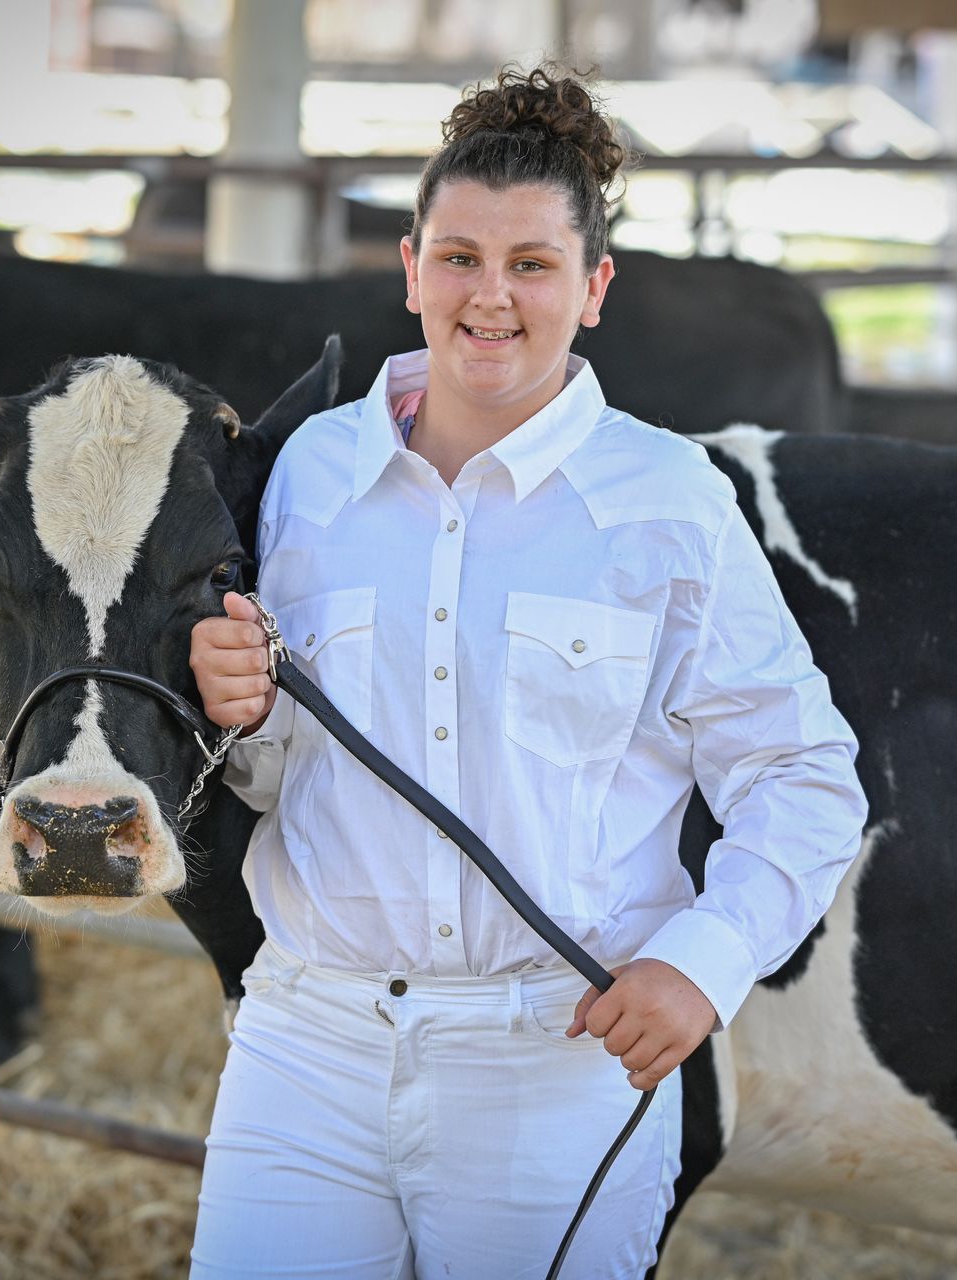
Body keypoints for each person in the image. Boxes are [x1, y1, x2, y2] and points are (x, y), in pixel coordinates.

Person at [186, 65, 867, 1279]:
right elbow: (277, 770)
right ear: (408, 268)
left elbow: (805, 774)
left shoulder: (666, 500)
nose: (488, 298)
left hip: (551, 1061)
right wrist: (232, 707)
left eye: (532, 265)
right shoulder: (305, 475)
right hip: (306, 1043)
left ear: (594, 288)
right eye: (457, 258)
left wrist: (703, 964)